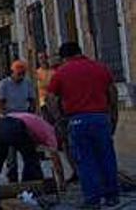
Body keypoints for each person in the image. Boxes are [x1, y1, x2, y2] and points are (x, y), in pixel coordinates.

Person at [47, 41, 119, 209]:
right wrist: (113, 116)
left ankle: (93, 199)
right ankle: (112, 196)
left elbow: (51, 98)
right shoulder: (100, 67)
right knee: (107, 157)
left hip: (78, 120)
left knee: (85, 160)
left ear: (65, 57)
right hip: (101, 118)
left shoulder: (61, 72)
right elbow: (112, 93)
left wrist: (59, 118)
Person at [0, 112, 66, 188]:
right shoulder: (51, 134)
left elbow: (31, 138)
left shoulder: (43, 125)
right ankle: (28, 186)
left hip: (2, 123)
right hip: (16, 125)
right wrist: (61, 181)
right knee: (31, 158)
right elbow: (56, 160)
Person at [0, 60, 36, 182]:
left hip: (23, 118)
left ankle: (27, 180)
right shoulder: (4, 84)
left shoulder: (27, 83)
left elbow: (32, 100)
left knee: (28, 152)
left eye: (23, 74)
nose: (21, 76)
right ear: (12, 72)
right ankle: (12, 178)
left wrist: (31, 114)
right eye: (19, 74)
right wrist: (5, 115)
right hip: (9, 119)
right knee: (10, 154)